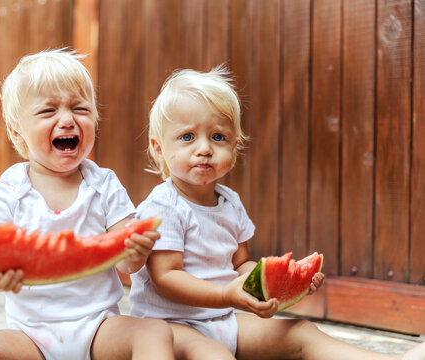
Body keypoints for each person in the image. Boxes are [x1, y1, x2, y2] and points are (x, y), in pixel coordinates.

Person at [128, 67, 425, 360]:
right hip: (171, 328)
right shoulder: (163, 206)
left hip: (221, 320)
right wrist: (225, 296)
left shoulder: (229, 203)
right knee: (212, 354)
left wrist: (284, 283)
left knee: (301, 332)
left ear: (235, 144)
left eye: (218, 137)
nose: (204, 148)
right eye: (187, 137)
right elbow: (165, 278)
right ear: (158, 148)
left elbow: (241, 265)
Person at [0, 49, 174, 360]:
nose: (67, 120)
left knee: (155, 331)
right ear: (17, 131)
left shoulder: (104, 183)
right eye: (47, 111)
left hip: (99, 329)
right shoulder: (7, 191)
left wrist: (136, 250)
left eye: (80, 109)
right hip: (30, 336)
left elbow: (127, 264)